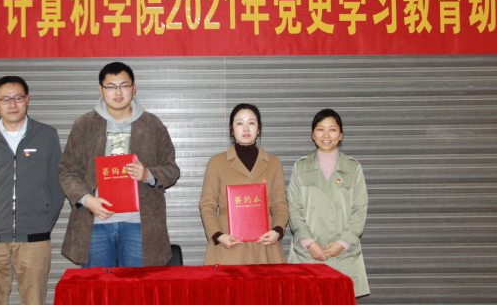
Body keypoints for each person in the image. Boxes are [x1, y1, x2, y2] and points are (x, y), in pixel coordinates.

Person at [59, 62, 180, 267]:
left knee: (136, 286)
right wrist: (87, 200)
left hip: (139, 225)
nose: (118, 92)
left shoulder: (152, 125)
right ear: (101, 90)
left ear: (134, 88)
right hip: (94, 223)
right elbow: (67, 171)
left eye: (124, 85)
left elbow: (171, 169)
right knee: (98, 285)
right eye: (111, 86)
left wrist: (148, 175)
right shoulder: (84, 125)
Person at [0, 76, 65, 305]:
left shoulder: (46, 135)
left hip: (34, 238)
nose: (12, 104)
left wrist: (42, 221)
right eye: (6, 99)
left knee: (34, 300)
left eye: (18, 98)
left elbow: (56, 185)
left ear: (27, 100)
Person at [287, 109, 370, 298]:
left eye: (332, 129)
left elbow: (360, 209)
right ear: (312, 134)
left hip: (343, 254)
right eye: (320, 129)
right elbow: (294, 208)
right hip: (308, 253)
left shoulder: (353, 167)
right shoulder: (300, 167)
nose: (326, 135)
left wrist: (342, 242)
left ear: (340, 135)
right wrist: (309, 243)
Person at [199, 103, 288, 264]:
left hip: (265, 242)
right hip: (229, 242)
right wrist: (218, 235)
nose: (246, 129)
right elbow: (207, 204)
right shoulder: (217, 162)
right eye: (240, 123)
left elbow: (280, 204)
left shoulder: (273, 163)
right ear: (232, 129)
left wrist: (278, 230)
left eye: (251, 123)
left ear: (259, 129)